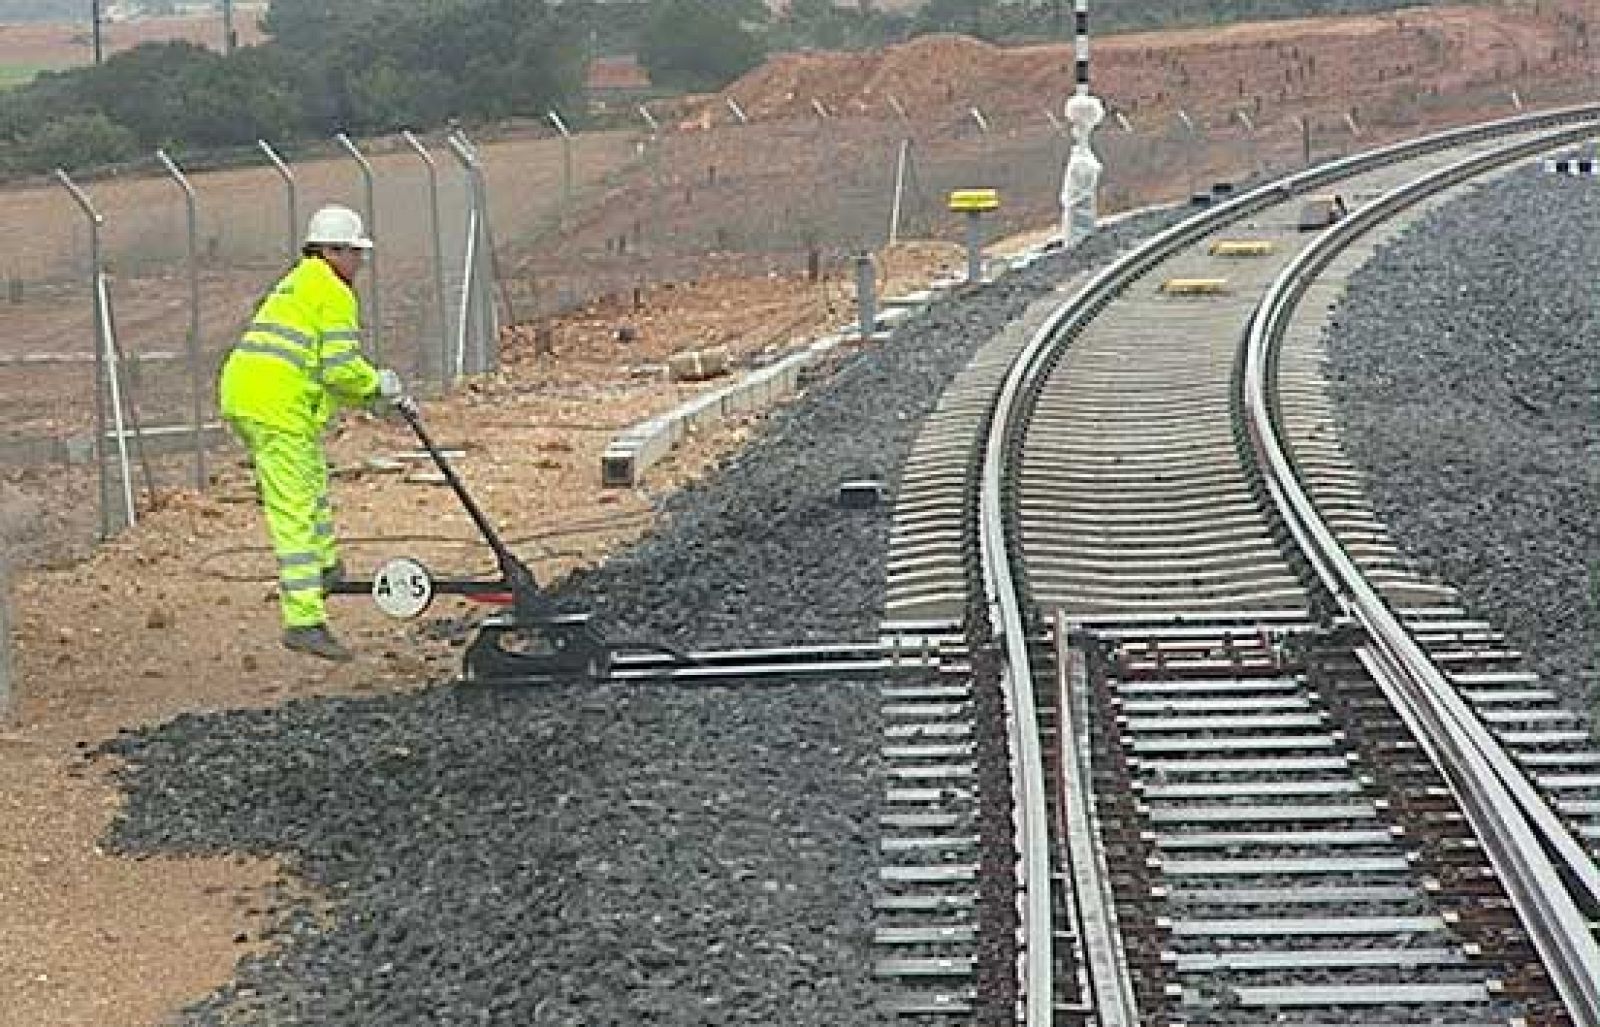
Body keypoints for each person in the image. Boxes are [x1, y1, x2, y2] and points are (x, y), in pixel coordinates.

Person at [219, 204, 415, 662]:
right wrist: (376, 386)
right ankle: (304, 620)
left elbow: (323, 371)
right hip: (275, 405)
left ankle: (326, 567)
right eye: (356, 254)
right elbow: (341, 369)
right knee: (294, 508)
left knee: (310, 483)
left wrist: (373, 398)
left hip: (257, 396)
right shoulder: (332, 291)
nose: (360, 264)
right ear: (335, 251)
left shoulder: (299, 282)